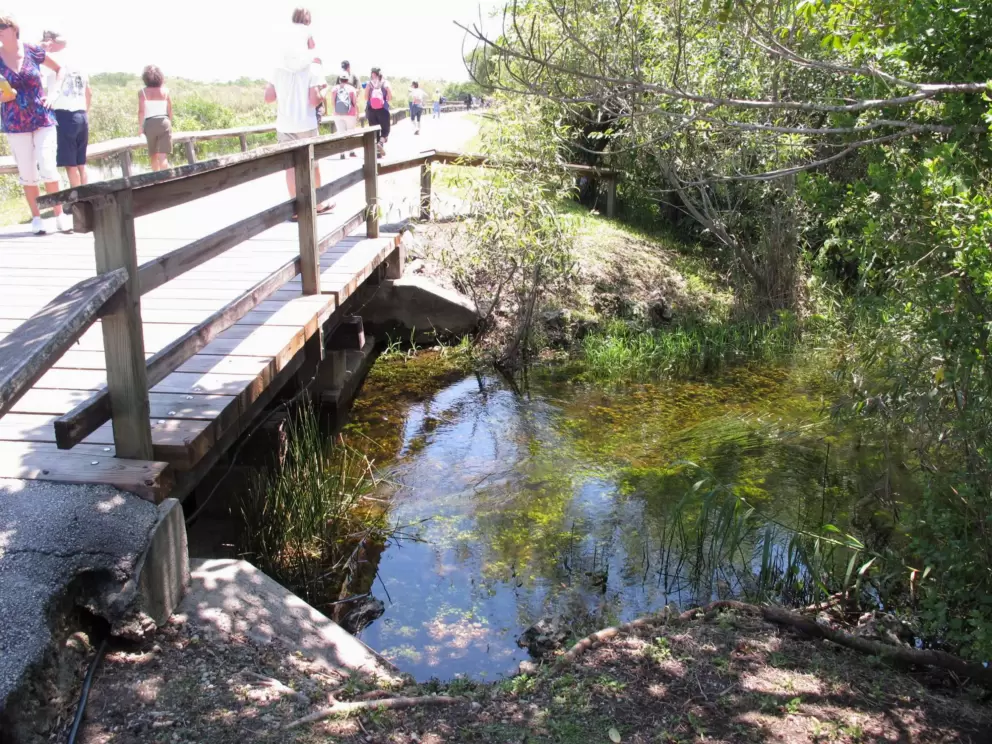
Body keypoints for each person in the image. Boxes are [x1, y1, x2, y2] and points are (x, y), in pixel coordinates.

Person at [0, 14, 70, 234]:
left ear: (13, 29)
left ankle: (59, 215)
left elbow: (60, 69)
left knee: (48, 165)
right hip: (14, 120)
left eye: (2, 26)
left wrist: (54, 93)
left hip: (42, 116)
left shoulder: (31, 49)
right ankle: (37, 218)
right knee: (28, 172)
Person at [265, 40, 333, 213]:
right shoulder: (313, 67)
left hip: (285, 125)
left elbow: (269, 97)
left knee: (290, 168)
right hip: (307, 124)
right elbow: (313, 100)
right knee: (313, 165)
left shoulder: (277, 69)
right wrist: (324, 92)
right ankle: (318, 204)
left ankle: (296, 210)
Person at [41, 31, 91, 189]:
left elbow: (35, 72)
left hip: (64, 115)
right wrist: (85, 112)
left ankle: (77, 198)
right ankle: (88, 194)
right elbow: (89, 92)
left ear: (51, 42)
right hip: (82, 115)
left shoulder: (53, 61)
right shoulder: (78, 63)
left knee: (70, 164)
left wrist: (43, 50)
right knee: (81, 162)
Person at [138, 65, 173, 172]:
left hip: (150, 123)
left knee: (153, 155)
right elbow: (170, 109)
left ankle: (156, 180)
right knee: (163, 156)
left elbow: (141, 111)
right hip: (164, 121)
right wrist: (169, 123)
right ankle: (166, 180)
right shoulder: (165, 91)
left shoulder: (142, 92)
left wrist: (140, 127)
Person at [328, 74, 358, 158]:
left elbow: (333, 103)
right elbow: (354, 102)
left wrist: (336, 110)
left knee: (341, 133)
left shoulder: (334, 89)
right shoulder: (352, 89)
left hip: (338, 114)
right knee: (351, 132)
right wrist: (356, 113)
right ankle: (351, 151)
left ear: (339, 80)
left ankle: (342, 153)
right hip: (350, 114)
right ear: (347, 80)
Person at [364, 67, 391, 158]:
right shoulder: (385, 82)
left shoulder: (369, 83)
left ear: (372, 74)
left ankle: (377, 152)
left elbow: (365, 97)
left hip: (371, 110)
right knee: (385, 130)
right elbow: (390, 97)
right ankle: (380, 143)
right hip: (383, 110)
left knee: (374, 130)